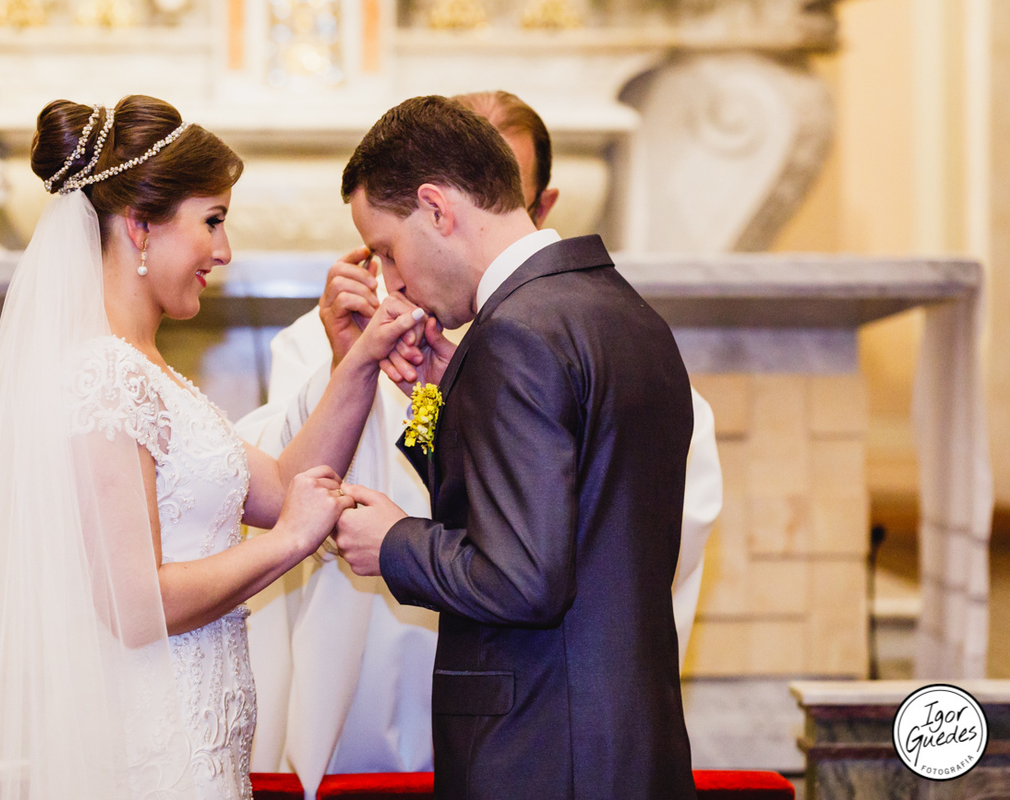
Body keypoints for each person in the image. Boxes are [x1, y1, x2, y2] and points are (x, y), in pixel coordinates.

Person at [0, 95, 425, 800]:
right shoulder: (102, 374)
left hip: (200, 738)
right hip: (146, 744)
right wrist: (288, 543)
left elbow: (286, 485)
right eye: (213, 220)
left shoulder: (151, 373)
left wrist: (354, 359)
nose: (224, 252)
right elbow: (134, 605)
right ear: (139, 225)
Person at [237, 90, 719, 795]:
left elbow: (525, 578)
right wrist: (437, 392)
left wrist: (394, 541)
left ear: (437, 209)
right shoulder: (619, 309)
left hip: (541, 752)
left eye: (388, 250)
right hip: (624, 745)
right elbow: (554, 506)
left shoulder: (515, 335)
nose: (393, 280)